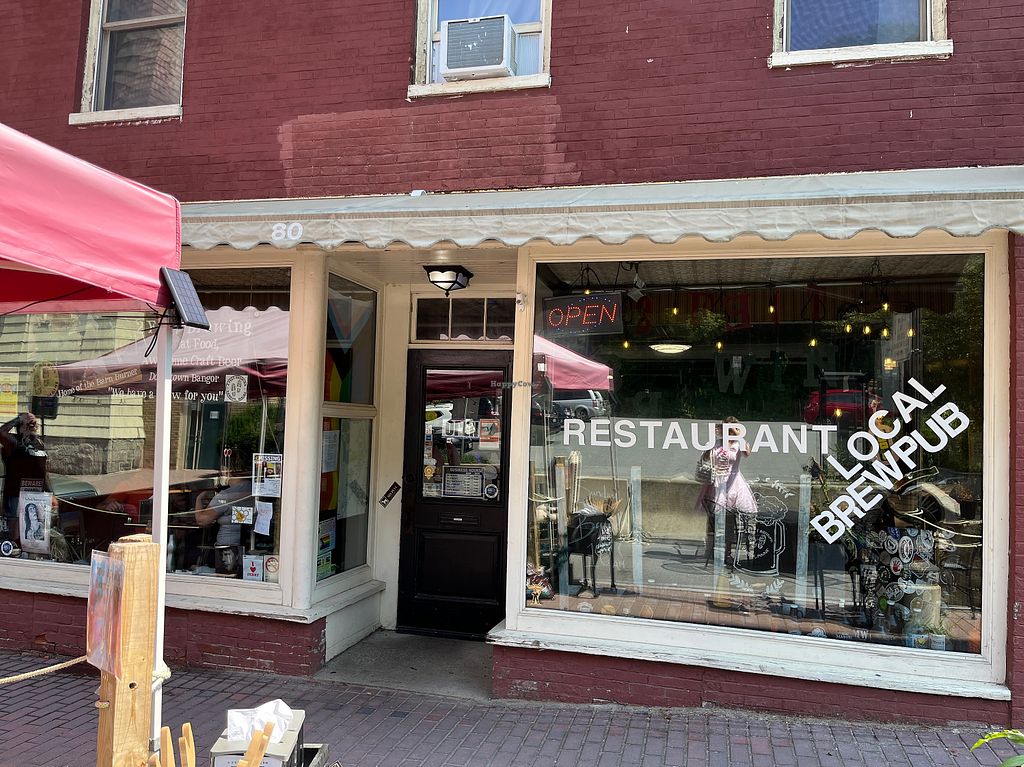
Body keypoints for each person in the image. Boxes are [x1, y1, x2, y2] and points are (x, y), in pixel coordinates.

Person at [695, 416, 758, 568]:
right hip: (717, 482)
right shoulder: (717, 443)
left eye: (731, 428)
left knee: (729, 519)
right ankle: (710, 549)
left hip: (733, 483)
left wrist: (736, 434)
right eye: (727, 428)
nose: (728, 432)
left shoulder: (738, 443)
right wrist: (712, 445)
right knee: (713, 517)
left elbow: (747, 453)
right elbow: (705, 457)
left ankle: (727, 553)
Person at [0, 412, 51, 543]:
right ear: (21, 427)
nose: (33, 425)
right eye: (29, 423)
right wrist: (18, 419)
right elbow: (1, 432)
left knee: (35, 539)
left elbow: (43, 471)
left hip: (37, 496)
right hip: (15, 497)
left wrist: (51, 494)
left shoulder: (39, 443)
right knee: (15, 536)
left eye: (34, 423)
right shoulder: (13, 442)